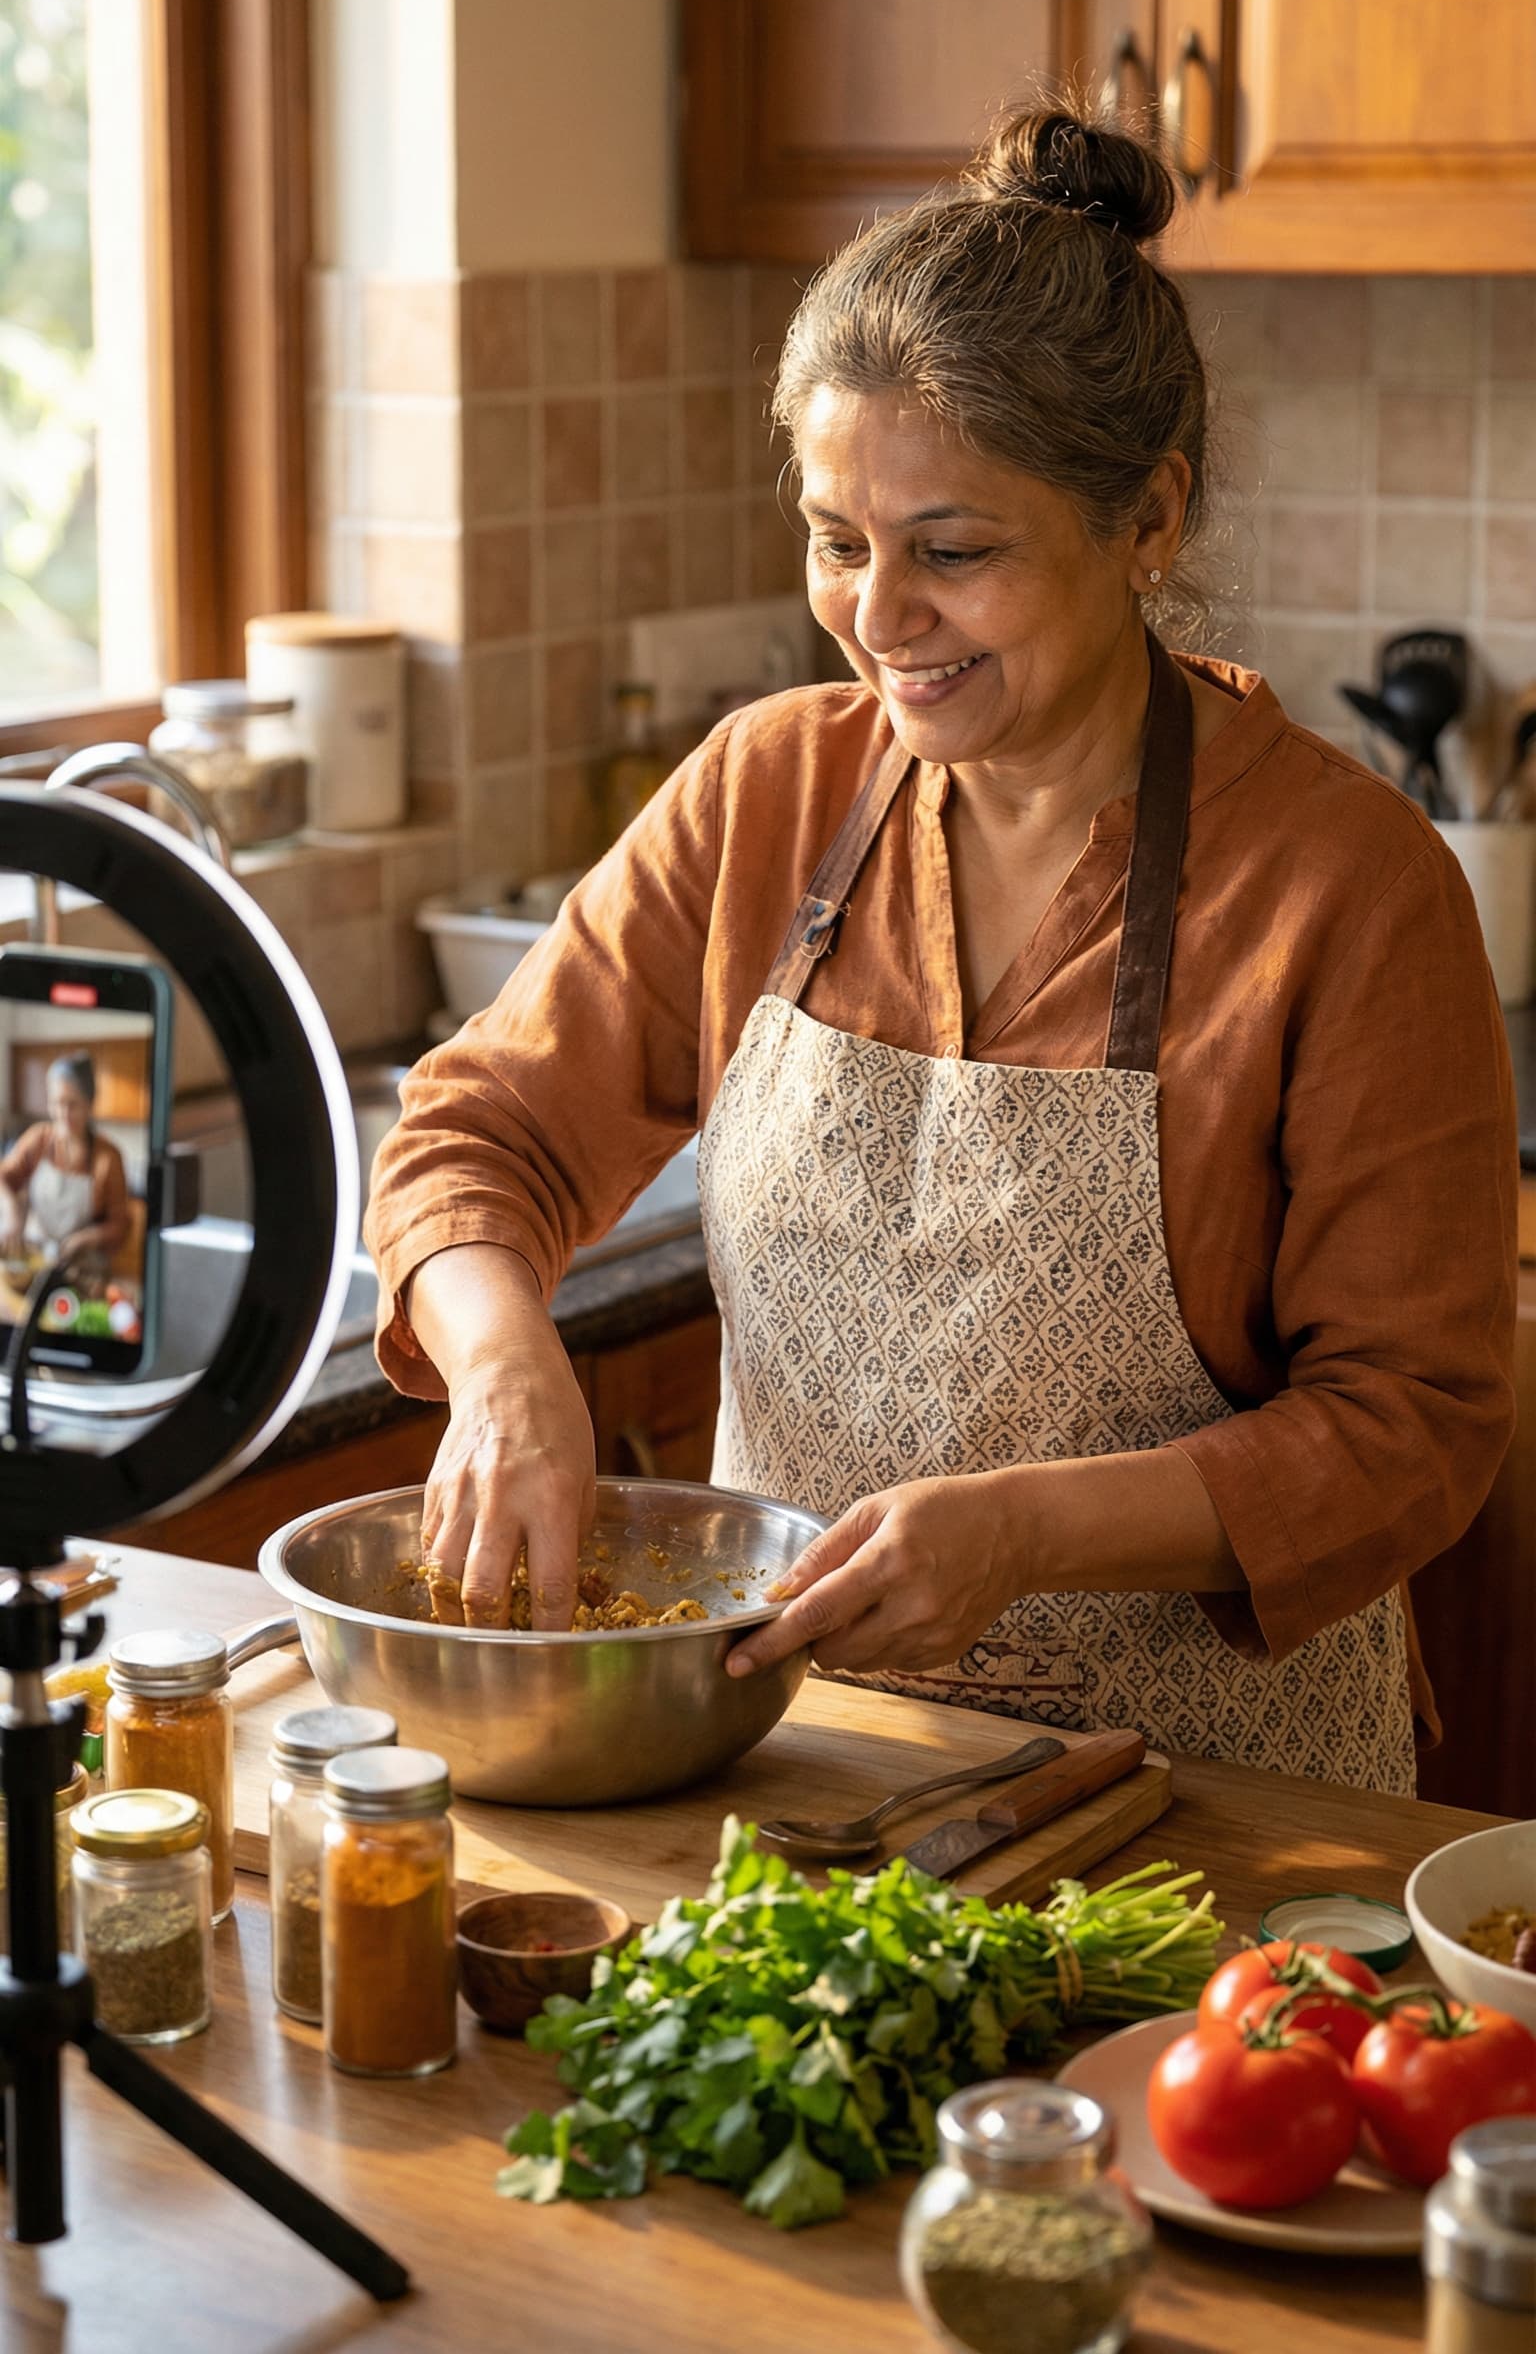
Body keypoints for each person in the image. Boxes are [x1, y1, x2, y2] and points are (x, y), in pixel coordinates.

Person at [364, 105, 1516, 1790]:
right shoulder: (768, 789)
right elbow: (482, 1132)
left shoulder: (1349, 887)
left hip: (1221, 1814)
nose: (878, 616)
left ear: (1148, 521)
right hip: (805, 1773)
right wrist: (503, 1369)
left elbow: (1414, 1424)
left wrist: (1029, 1528)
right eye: (839, 539)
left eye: (952, 552)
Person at [0, 1052, 130, 1272]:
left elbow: (120, 1225)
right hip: (35, 1257)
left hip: (81, 1266)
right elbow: (3, 1177)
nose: (63, 1114)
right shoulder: (38, 1138)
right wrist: (11, 1209)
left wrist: (89, 1237)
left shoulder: (108, 1158)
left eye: (72, 1104)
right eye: (57, 1103)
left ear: (89, 1103)